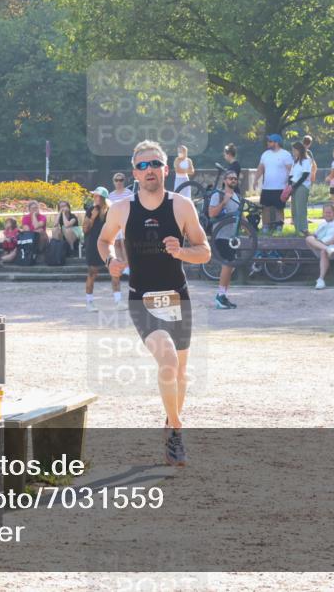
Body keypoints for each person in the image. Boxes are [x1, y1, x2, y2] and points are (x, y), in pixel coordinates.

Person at [98, 141, 211, 466]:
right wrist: (110, 263)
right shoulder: (122, 208)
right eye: (143, 165)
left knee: (181, 373)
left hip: (177, 296)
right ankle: (176, 430)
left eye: (155, 164)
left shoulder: (181, 206)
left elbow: (204, 251)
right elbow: (103, 241)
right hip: (142, 298)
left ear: (166, 168)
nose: (149, 170)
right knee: (168, 361)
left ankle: (171, 420)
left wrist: (181, 252)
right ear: (135, 172)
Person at [84, 187, 125, 311]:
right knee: (92, 273)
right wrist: (92, 217)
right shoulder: (90, 210)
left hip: (108, 245)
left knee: (114, 272)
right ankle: (89, 303)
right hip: (92, 245)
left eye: (97, 196)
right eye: (94, 196)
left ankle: (118, 301)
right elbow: (85, 230)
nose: (95, 198)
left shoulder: (111, 211)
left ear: (103, 198)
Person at [208, 170, 241, 309]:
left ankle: (223, 295)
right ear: (224, 180)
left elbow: (239, 216)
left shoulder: (237, 197)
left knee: (230, 267)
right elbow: (212, 213)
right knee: (227, 264)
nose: (233, 180)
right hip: (220, 235)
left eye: (235, 178)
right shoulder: (218, 194)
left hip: (232, 238)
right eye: (230, 178)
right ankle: (220, 297)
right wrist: (224, 202)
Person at [254, 134, 294, 235]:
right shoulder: (265, 154)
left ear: (276, 143)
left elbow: (291, 170)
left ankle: (279, 227)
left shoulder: (285, 154)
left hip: (280, 187)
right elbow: (260, 168)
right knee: (265, 208)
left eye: (270, 141)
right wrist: (255, 180)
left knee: (279, 208)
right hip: (267, 187)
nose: (268, 143)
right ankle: (265, 227)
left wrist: (290, 184)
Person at [305, 202, 334, 290]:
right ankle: (327, 249)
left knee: (323, 251)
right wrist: (308, 233)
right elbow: (316, 238)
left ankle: (321, 280)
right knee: (308, 238)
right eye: (325, 212)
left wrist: (323, 245)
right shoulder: (322, 225)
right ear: (323, 213)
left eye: (329, 212)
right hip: (325, 248)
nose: (327, 214)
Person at [108, 173, 135, 279]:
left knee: (124, 244)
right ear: (113, 181)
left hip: (126, 221)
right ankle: (121, 266)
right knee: (117, 244)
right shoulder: (110, 195)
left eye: (121, 180)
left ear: (124, 181)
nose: (119, 182)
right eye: (116, 180)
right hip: (115, 222)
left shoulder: (129, 193)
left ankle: (128, 266)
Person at [289, 142, 313, 236]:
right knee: (294, 209)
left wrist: (295, 186)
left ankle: (304, 229)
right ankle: (297, 230)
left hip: (302, 186)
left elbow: (305, 175)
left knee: (301, 209)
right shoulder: (295, 161)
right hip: (294, 185)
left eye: (295, 150)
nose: (293, 152)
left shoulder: (306, 160)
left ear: (300, 150)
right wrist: (289, 185)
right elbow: (291, 175)